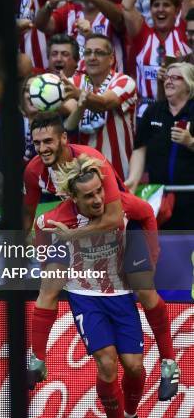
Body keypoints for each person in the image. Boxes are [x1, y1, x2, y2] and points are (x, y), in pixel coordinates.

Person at [25, 113, 178, 399]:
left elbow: (114, 215)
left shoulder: (91, 159)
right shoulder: (34, 170)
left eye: (48, 141)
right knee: (49, 286)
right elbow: (28, 213)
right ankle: (36, 360)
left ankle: (168, 362)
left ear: (63, 139)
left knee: (144, 290)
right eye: (36, 143)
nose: (43, 148)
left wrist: (151, 255)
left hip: (122, 220)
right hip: (78, 221)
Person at [34, 155, 149, 418]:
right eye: (89, 195)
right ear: (74, 198)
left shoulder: (120, 206)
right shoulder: (57, 218)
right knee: (107, 362)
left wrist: (151, 252)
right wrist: (52, 264)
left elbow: (148, 213)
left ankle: (131, 415)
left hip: (121, 294)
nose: (98, 199)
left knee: (135, 367)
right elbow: (39, 231)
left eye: (100, 191)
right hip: (85, 295)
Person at [121, 0, 191, 118]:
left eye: (166, 5)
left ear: (176, 11)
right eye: (156, 5)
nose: (160, 10)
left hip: (182, 110)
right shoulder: (142, 34)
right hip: (145, 112)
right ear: (150, 10)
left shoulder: (182, 31)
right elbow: (127, 6)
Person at [125, 62, 194, 230]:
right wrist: (133, 179)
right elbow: (140, 148)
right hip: (158, 196)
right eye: (166, 78)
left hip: (190, 195)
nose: (168, 81)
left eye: (176, 78)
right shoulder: (153, 111)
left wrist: (190, 142)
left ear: (189, 85)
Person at [62, 34, 136, 180]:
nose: (92, 57)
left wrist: (79, 95)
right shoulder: (76, 81)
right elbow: (68, 108)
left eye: (99, 52)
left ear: (111, 59)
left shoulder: (124, 81)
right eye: (88, 52)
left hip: (118, 172)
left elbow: (104, 103)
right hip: (83, 176)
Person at [35, 0, 126, 71]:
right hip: (74, 81)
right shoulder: (69, 9)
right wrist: (50, 5)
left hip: (108, 82)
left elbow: (119, 19)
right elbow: (42, 25)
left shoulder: (113, 10)